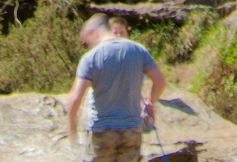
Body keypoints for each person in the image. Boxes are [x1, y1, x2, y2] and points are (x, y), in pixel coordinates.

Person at [67, 10, 165, 159]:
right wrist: (150, 101)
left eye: (86, 40)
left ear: (93, 32)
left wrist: (72, 128)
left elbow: (75, 98)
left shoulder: (90, 58)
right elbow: (160, 82)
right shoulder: (138, 50)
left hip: (102, 131)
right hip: (132, 129)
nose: (87, 45)